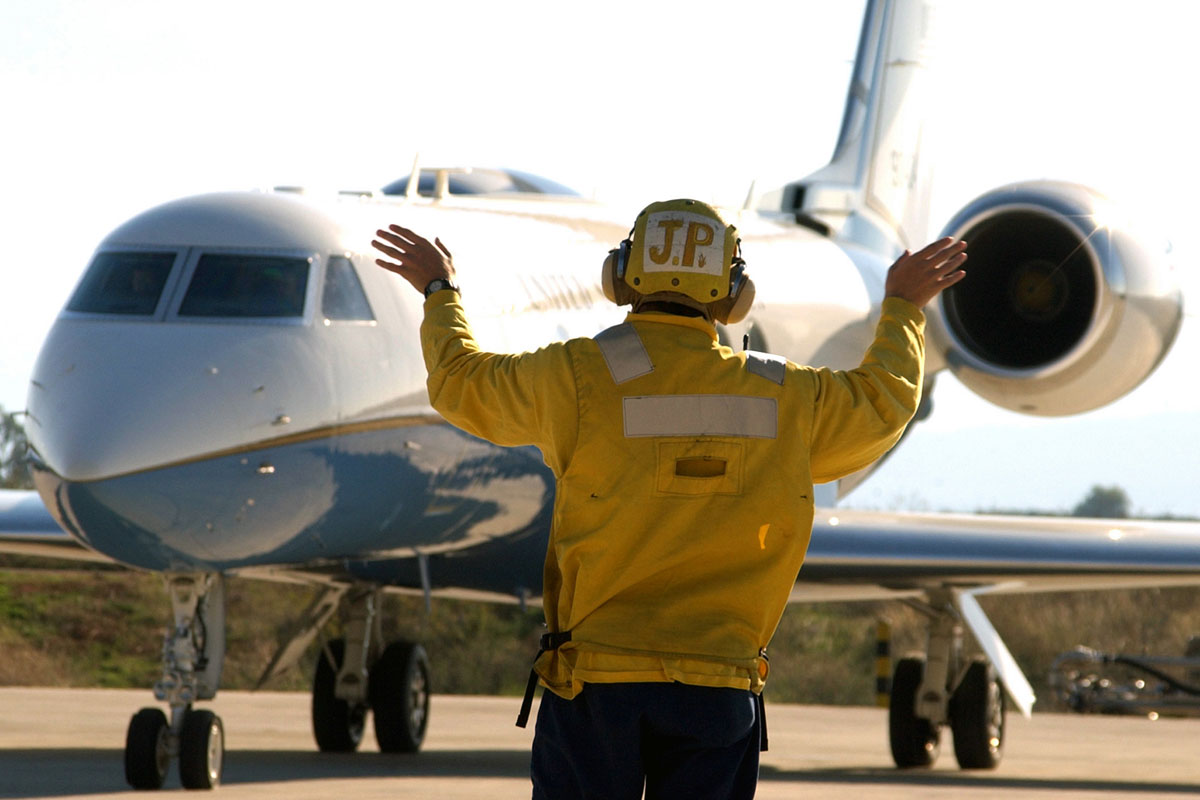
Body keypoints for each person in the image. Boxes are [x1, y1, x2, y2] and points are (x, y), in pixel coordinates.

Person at [372, 198, 966, 799]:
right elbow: (884, 400)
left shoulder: (578, 376)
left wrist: (439, 290)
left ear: (622, 276)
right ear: (734, 295)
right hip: (718, 687)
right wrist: (903, 310)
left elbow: (459, 382)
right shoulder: (783, 396)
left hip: (593, 686)